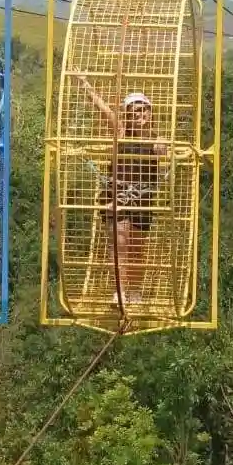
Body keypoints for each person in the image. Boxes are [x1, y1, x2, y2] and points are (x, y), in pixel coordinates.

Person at [74, 73, 168, 307]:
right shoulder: (121, 132)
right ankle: (120, 291)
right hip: (117, 197)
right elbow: (103, 109)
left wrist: (161, 149)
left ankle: (135, 291)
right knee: (120, 244)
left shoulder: (156, 138)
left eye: (144, 109)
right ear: (128, 115)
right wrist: (86, 85)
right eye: (135, 111)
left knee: (137, 248)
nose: (141, 114)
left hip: (142, 200)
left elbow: (163, 149)